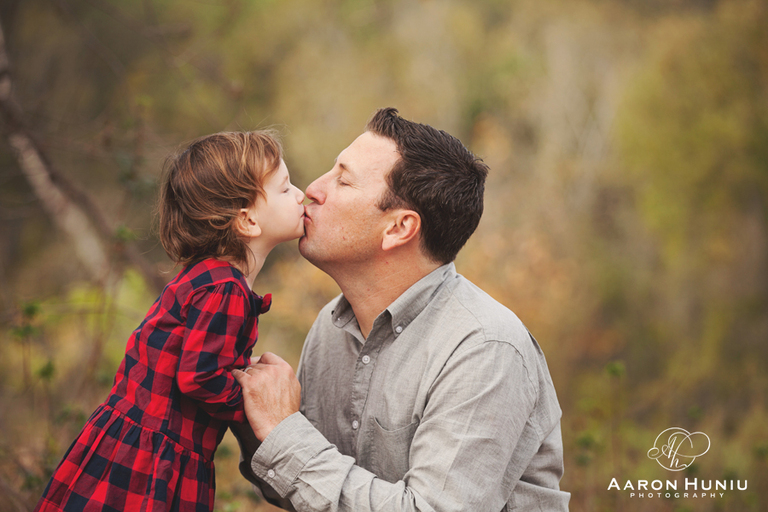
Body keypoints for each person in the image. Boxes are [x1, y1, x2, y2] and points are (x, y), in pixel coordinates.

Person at [233, 108, 570, 511]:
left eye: (343, 180)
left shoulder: (485, 348)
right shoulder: (331, 327)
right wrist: (247, 410)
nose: (312, 190)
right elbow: (299, 494)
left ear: (398, 228)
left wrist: (284, 432)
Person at [34, 131, 306, 512]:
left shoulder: (208, 277)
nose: (301, 195)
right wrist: (255, 404)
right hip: (153, 461)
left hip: (135, 445)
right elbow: (199, 376)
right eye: (285, 188)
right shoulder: (225, 290)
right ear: (246, 220)